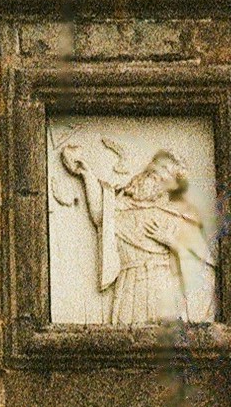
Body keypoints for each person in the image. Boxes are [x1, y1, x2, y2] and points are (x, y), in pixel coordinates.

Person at [54, 134, 216, 326]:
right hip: (129, 286)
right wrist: (85, 173)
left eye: (163, 173)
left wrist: (170, 242)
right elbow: (101, 216)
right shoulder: (123, 206)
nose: (154, 174)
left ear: (170, 186)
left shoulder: (175, 217)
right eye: (154, 168)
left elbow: (203, 265)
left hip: (162, 288)